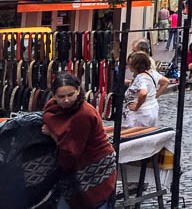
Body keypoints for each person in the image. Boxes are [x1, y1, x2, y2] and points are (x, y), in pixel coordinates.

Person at [42, 72, 117, 209]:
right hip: (79, 163)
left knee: (96, 203)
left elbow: (71, 150)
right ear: (53, 96)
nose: (66, 100)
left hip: (96, 166)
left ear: (78, 91)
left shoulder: (83, 114)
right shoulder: (53, 108)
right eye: (61, 96)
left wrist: (53, 134)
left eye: (70, 95)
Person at [124, 52, 159, 127]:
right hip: (152, 109)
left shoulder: (141, 77)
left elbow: (143, 93)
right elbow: (165, 82)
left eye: (130, 64)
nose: (129, 67)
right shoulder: (151, 73)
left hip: (141, 114)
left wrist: (136, 106)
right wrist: (155, 96)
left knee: (135, 136)